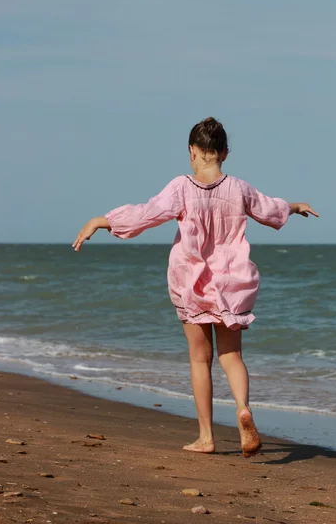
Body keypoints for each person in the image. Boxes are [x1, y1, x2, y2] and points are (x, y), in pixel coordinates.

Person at [73, 117, 318, 458]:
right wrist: (294, 206)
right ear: (225, 153)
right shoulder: (240, 188)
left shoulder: (181, 188)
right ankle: (243, 409)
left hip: (193, 282)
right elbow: (269, 209)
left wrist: (103, 221)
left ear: (192, 151)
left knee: (199, 360)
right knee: (232, 356)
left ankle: (206, 437)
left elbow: (146, 214)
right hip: (232, 282)